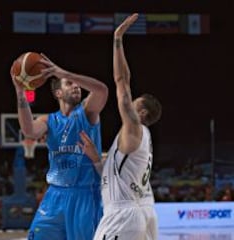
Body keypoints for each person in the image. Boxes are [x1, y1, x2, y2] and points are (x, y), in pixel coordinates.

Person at [78, 13, 162, 240]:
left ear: (141, 113)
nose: (128, 103)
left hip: (123, 216)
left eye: (134, 103)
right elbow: (118, 172)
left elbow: (122, 81)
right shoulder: (140, 137)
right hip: (140, 211)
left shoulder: (134, 127)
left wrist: (117, 39)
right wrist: (97, 159)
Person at [10, 54, 108, 240]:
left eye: (75, 83)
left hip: (85, 195)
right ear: (58, 93)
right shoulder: (49, 120)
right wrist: (20, 92)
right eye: (69, 84)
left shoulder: (87, 112)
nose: (76, 86)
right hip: (55, 195)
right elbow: (29, 131)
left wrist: (64, 73)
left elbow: (102, 90)